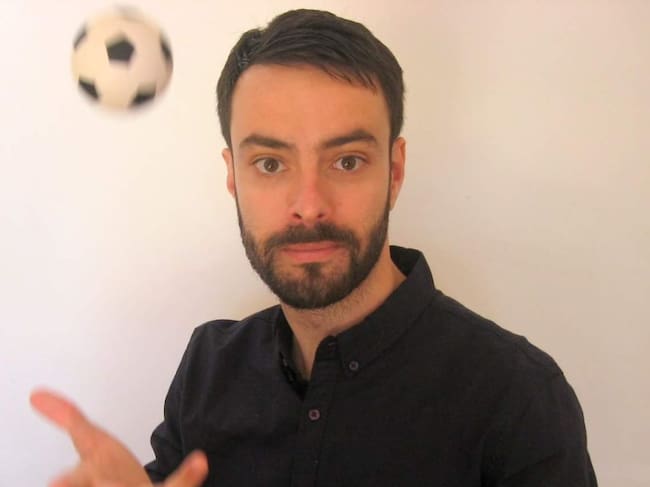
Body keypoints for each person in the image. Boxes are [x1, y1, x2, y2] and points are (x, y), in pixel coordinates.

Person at [31, 9, 598, 487]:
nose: (308, 204)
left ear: (395, 171)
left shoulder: (517, 398)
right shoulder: (208, 367)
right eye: (270, 164)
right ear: (232, 176)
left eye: (346, 161)